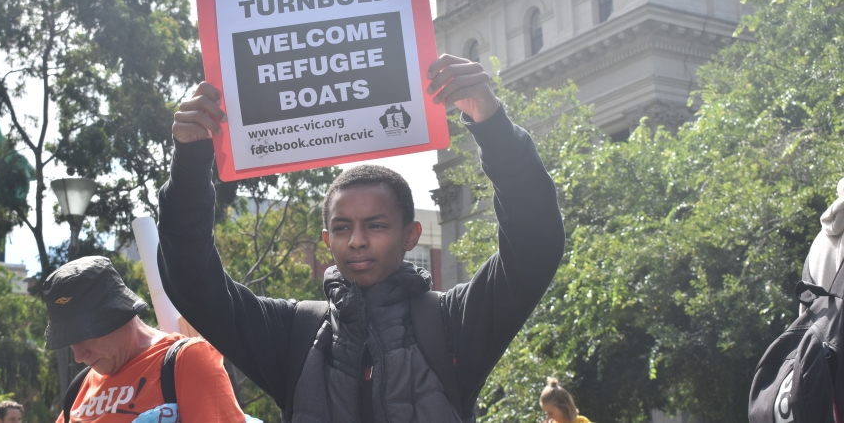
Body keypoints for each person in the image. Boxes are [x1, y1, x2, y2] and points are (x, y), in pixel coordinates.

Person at [158, 54, 566, 422]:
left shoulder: (452, 323)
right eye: (341, 228)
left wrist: (492, 125)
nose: (356, 240)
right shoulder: (291, 333)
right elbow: (193, 282)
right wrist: (191, 162)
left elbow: (534, 243)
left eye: (376, 225)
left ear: (411, 235)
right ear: (326, 239)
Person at [42, 256, 245, 422]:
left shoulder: (187, 360)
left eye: (84, 336)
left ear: (117, 314)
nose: (79, 356)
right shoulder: (80, 386)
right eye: (70, 341)